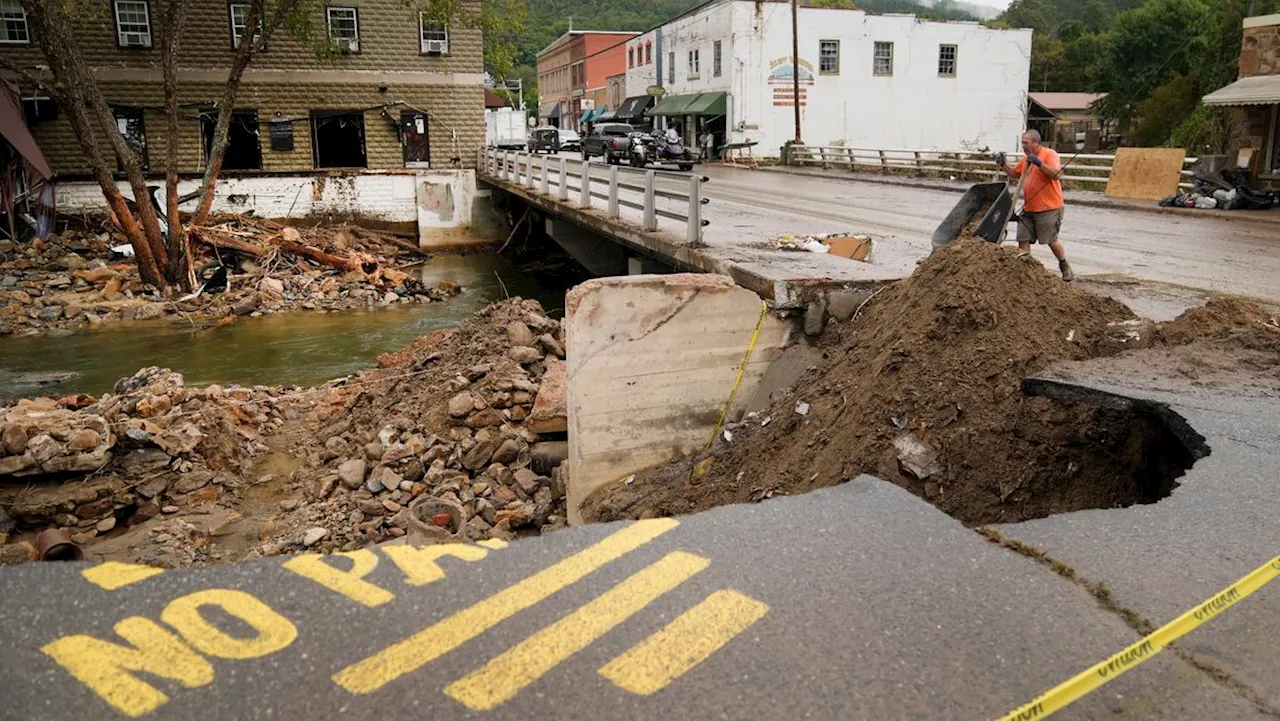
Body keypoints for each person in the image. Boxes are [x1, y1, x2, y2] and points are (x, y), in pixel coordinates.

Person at [997, 129, 1073, 282]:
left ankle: (1064, 265)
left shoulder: (1049, 154)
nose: (1023, 146)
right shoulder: (1026, 159)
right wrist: (1003, 164)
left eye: (1026, 143)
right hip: (1029, 207)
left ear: (1036, 143)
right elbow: (1015, 174)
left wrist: (1039, 163)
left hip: (1049, 208)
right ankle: (1024, 272)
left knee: (1050, 239)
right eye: (1022, 143)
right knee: (1023, 238)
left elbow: (1056, 174)